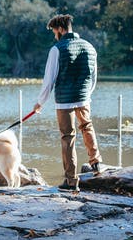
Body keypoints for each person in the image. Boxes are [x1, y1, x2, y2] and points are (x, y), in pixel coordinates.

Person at [33, 14, 102, 192]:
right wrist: (87, 94)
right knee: (87, 127)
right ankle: (96, 164)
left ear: (61, 29)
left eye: (55, 31)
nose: (55, 34)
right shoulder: (89, 47)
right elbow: (93, 77)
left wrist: (40, 102)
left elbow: (49, 79)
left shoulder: (57, 49)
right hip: (83, 96)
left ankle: (71, 181)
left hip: (64, 100)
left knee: (67, 137)